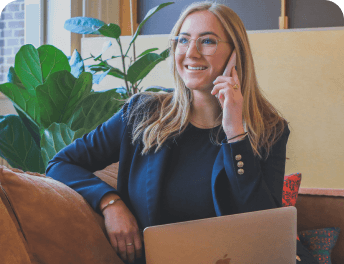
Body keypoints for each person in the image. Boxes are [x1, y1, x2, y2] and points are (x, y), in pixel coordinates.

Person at [46, 2, 318, 264]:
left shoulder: (269, 130)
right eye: (183, 40)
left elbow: (265, 231)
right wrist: (110, 203)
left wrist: (235, 133)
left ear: (236, 54)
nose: (191, 52)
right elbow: (60, 163)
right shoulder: (142, 113)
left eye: (208, 41)